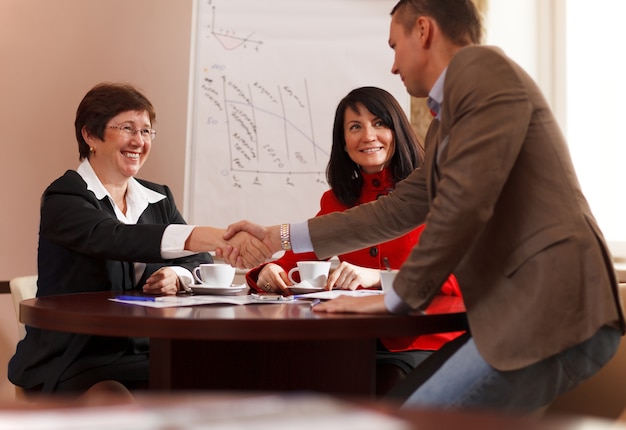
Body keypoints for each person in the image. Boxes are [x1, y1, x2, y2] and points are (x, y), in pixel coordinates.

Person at [223, 0, 626, 414]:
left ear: (423, 31)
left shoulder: (483, 73)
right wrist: (278, 236)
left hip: (551, 312)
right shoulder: (445, 121)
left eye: (395, 46)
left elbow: (464, 205)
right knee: (396, 409)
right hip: (516, 317)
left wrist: (394, 294)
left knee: (405, 419)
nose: (394, 66)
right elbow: (398, 209)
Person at [8, 82, 271, 397]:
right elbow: (116, 237)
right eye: (127, 128)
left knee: (223, 375)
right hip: (76, 356)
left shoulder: (158, 198)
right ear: (89, 135)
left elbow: (196, 261)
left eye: (146, 132)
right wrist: (219, 237)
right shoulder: (65, 196)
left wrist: (177, 274)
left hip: (145, 351)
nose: (139, 141)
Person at [245, 86, 463, 395]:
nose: (368, 135)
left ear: (397, 130)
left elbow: (455, 278)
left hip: (425, 340)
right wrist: (267, 274)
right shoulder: (335, 202)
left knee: (380, 379)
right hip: (358, 342)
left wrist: (379, 278)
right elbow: (294, 264)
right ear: (343, 143)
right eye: (355, 127)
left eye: (379, 123)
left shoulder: (429, 192)